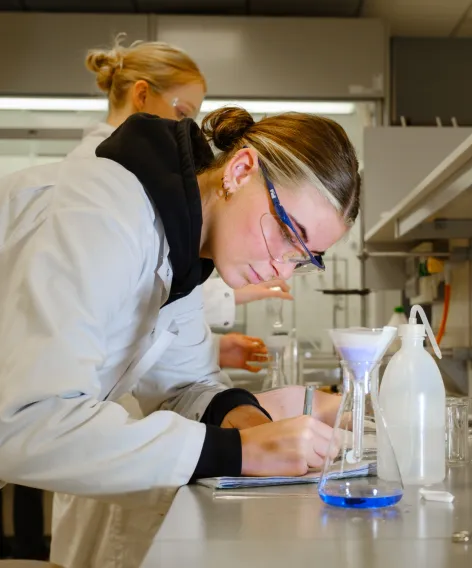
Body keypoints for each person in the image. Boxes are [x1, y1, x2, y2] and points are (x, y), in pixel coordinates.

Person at [0, 91, 358, 568]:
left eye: (302, 258)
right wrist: (236, 452)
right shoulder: (106, 213)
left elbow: (181, 386)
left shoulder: (184, 252)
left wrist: (244, 419)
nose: (282, 269)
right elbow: (25, 418)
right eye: (287, 234)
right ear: (240, 170)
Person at [68, 35, 294, 372]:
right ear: (142, 95)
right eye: (182, 111)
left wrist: (211, 348)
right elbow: (123, 300)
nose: (184, 128)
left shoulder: (144, 183)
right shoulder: (101, 181)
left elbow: (147, 293)